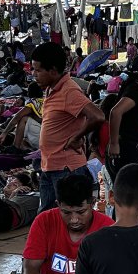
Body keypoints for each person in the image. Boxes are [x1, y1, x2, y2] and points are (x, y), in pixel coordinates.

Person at [33, 43, 105, 211]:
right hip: (50, 165)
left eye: (37, 70)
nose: (34, 75)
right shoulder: (51, 88)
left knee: (70, 217)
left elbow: (98, 116)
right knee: (48, 217)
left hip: (66, 169)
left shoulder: (69, 91)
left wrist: (76, 137)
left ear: (53, 71)